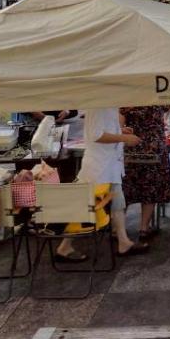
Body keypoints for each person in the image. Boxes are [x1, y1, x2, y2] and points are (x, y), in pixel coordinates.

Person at [58, 107, 146, 260]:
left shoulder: (109, 106)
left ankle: (123, 242)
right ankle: (64, 246)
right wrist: (123, 138)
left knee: (117, 202)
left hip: (108, 165)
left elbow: (103, 130)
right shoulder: (98, 108)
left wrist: (120, 132)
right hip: (98, 167)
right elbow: (96, 135)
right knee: (84, 206)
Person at [121, 105, 170, 241]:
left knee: (127, 189)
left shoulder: (126, 103)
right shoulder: (157, 100)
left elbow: (119, 127)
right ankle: (143, 229)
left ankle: (118, 230)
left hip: (132, 149)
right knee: (150, 188)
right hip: (154, 148)